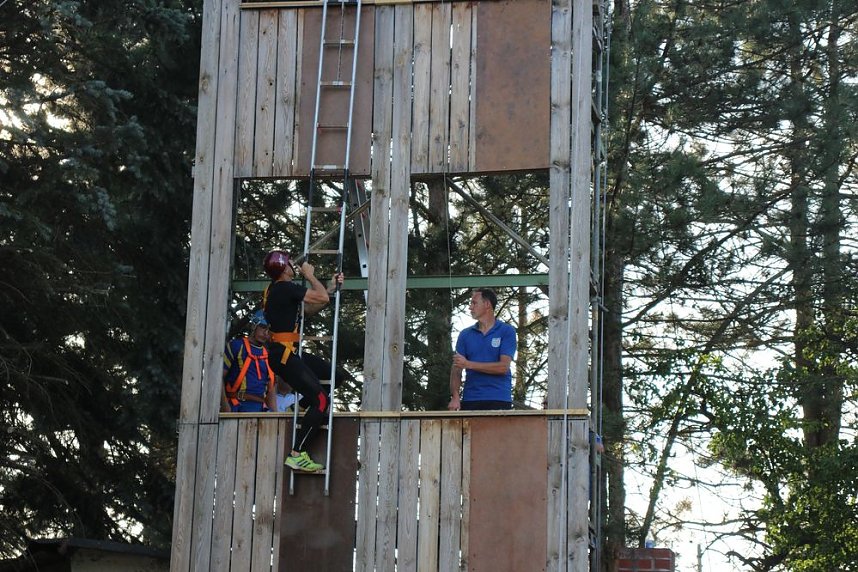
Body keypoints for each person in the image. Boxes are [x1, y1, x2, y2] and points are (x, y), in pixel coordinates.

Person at [262, 249, 343, 472]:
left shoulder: (278, 290)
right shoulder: (284, 287)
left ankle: (298, 408)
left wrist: (330, 288)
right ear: (284, 268)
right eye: (289, 263)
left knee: (335, 376)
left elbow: (307, 309)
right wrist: (309, 275)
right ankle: (297, 454)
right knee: (322, 400)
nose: (293, 266)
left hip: (288, 352)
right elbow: (321, 298)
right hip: (284, 355)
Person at [448, 288, 517, 411]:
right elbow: (456, 369)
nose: (470, 307)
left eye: (474, 303)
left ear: (487, 304)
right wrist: (455, 396)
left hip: (499, 399)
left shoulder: (507, 331)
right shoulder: (465, 334)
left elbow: (503, 367)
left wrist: (468, 364)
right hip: (470, 399)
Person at [221, 310, 277, 413]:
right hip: (236, 406)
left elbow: (271, 389)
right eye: (263, 327)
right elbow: (219, 378)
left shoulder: (269, 355)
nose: (266, 333)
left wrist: (274, 414)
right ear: (253, 326)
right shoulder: (236, 346)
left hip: (260, 409)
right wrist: (226, 408)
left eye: (269, 330)